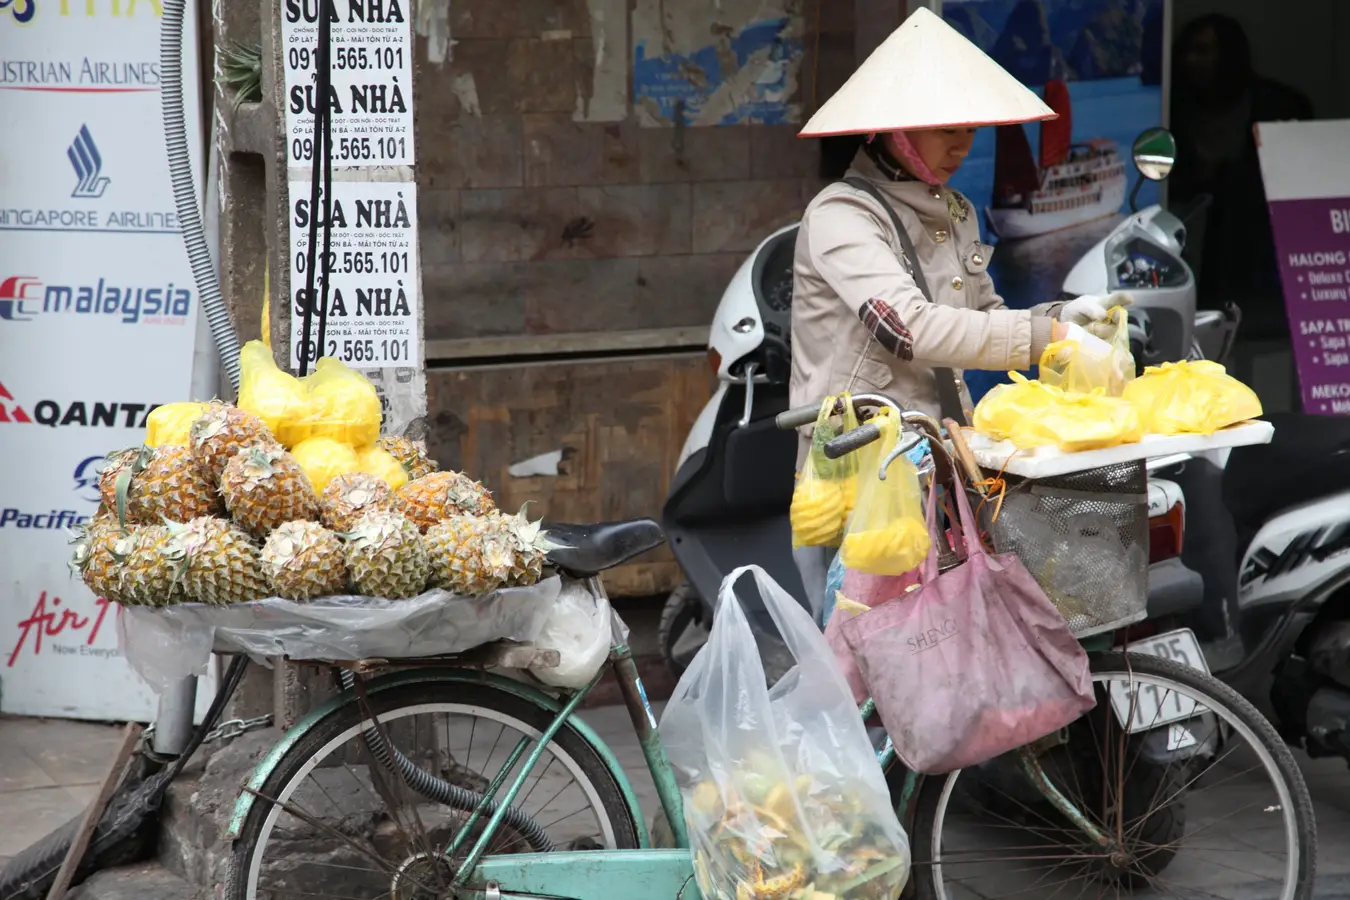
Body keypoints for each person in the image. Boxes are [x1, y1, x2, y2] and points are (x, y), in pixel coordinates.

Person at [789, 8, 1128, 613]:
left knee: (947, 645)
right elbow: (907, 329)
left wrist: (1068, 317)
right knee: (861, 652)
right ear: (892, 129)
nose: (961, 145)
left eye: (970, 129)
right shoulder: (840, 215)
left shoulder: (957, 212)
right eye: (946, 127)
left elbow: (986, 312)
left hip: (944, 459)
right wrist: (1045, 334)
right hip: (861, 473)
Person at [1169, 13, 1314, 341]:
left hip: (1259, 250)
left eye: (1203, 51)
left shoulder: (1279, 106)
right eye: (1187, 52)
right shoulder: (1173, 107)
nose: (1192, 61)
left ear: (1229, 55)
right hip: (1194, 243)